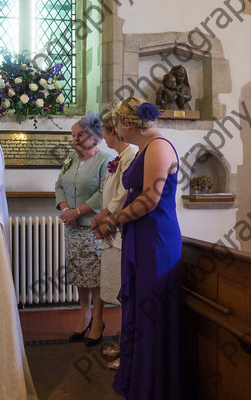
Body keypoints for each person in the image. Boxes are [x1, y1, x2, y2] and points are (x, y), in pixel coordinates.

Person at [98, 97, 186, 399]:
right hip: (141, 237)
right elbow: (132, 194)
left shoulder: (159, 147)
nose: (116, 131)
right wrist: (110, 217)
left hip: (157, 240)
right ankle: (140, 382)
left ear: (125, 123)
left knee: (151, 311)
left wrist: (114, 221)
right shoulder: (144, 149)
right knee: (137, 308)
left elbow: (149, 199)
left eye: (115, 123)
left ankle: (156, 387)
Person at [55, 111, 113, 347]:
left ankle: (98, 320)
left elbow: (103, 193)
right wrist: (66, 209)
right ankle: (84, 315)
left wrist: (78, 212)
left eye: (81, 135)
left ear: (96, 137)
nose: (76, 139)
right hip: (72, 228)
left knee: (95, 276)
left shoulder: (106, 160)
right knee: (79, 274)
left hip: (94, 229)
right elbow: (59, 184)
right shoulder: (70, 159)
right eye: (74, 135)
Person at [91, 112, 136, 370]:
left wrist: (106, 219)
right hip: (112, 232)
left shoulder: (129, 155)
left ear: (112, 131)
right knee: (118, 295)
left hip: (119, 232)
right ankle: (123, 342)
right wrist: (101, 218)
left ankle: (128, 349)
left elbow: (122, 195)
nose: (102, 137)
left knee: (124, 295)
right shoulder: (119, 157)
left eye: (103, 132)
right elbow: (110, 196)